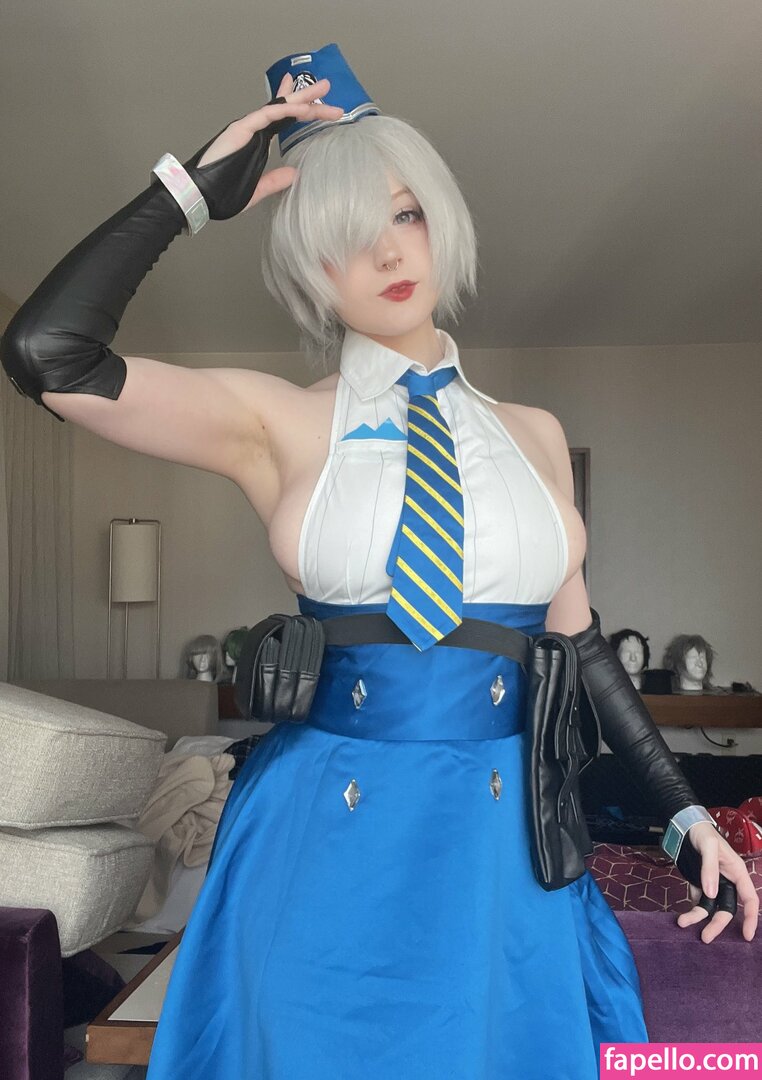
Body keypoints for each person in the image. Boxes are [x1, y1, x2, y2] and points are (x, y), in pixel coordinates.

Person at [1, 42, 757, 1080]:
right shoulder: (275, 422)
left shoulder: (535, 437)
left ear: (440, 221)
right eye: (345, 239)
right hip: (322, 830)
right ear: (313, 273)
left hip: (502, 842)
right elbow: (48, 353)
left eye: (405, 215)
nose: (387, 254)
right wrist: (190, 195)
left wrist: (684, 815)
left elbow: (581, 651)